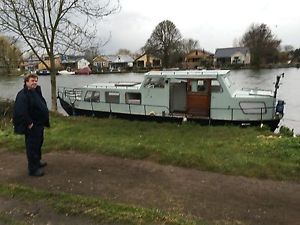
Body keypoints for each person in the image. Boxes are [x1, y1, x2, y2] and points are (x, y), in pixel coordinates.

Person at [13, 73, 50, 177]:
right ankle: (33, 169)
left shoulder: (35, 91)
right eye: (32, 81)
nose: (34, 83)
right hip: (31, 125)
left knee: (39, 143)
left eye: (36, 80)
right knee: (32, 147)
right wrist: (29, 123)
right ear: (26, 82)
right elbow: (20, 111)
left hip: (39, 124)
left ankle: (37, 161)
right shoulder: (22, 95)